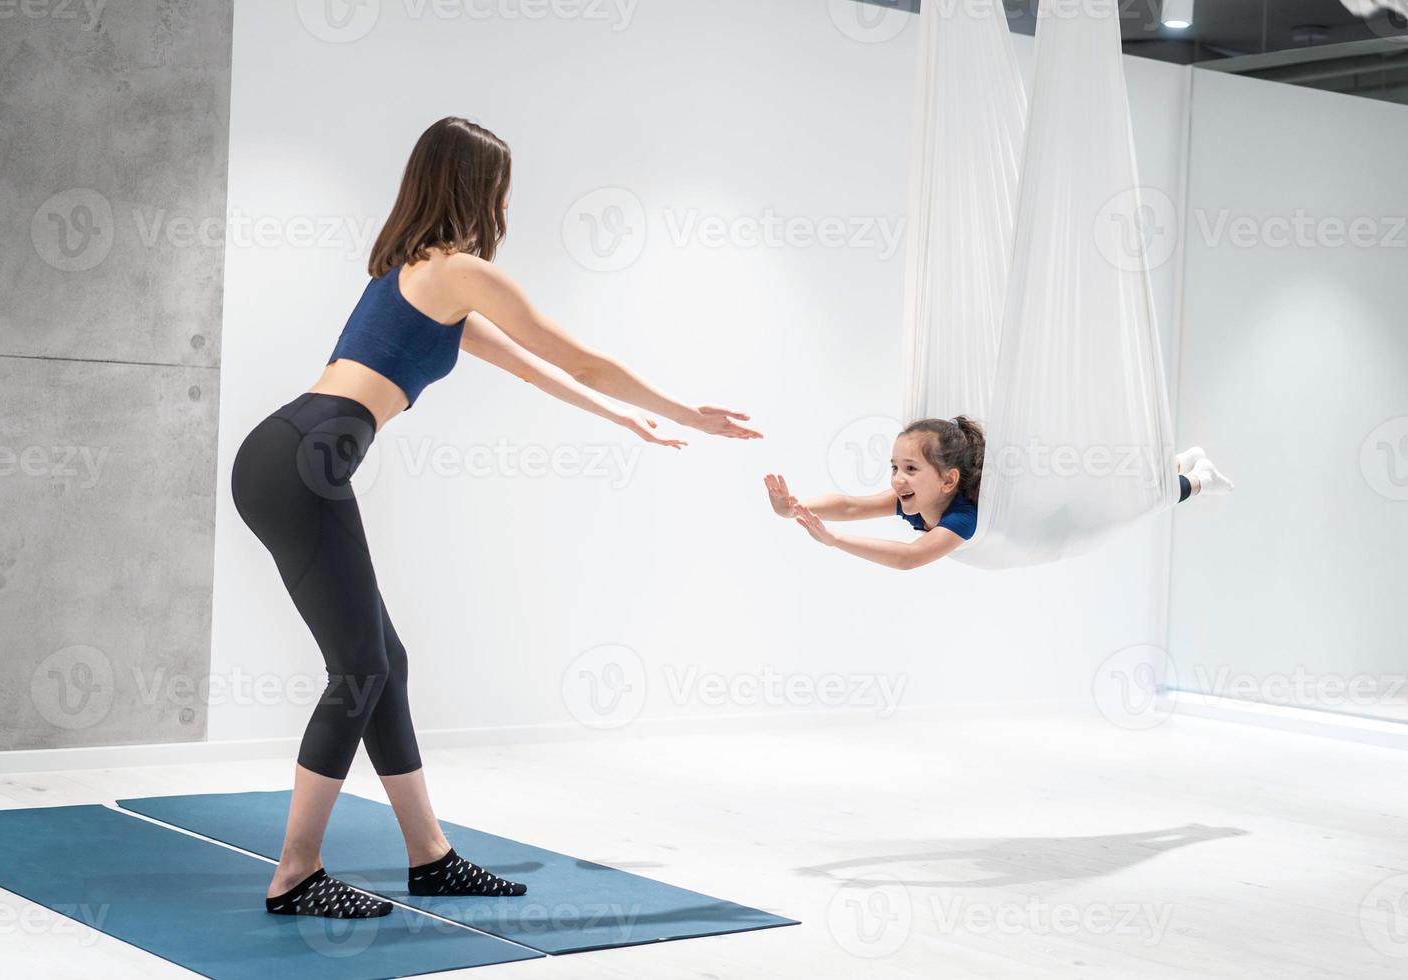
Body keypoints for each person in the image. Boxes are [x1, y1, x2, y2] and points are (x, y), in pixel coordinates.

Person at [231, 117, 761, 918]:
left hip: (288, 455)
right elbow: (578, 354)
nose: (508, 201)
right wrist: (686, 408)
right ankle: (296, 871)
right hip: (302, 465)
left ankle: (430, 856)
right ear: (480, 188)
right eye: (502, 185)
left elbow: (540, 370)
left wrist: (629, 422)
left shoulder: (417, 276)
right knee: (360, 670)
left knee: (384, 663)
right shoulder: (461, 269)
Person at [764, 417, 1231, 571]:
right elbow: (849, 504)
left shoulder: (962, 517)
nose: (896, 480)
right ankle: (1178, 462)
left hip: (1064, 526)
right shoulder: (917, 499)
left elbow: (910, 558)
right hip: (1051, 508)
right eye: (894, 468)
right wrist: (793, 509)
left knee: (1140, 501)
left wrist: (834, 542)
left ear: (948, 480)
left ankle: (1197, 477)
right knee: (1129, 490)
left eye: (909, 469)